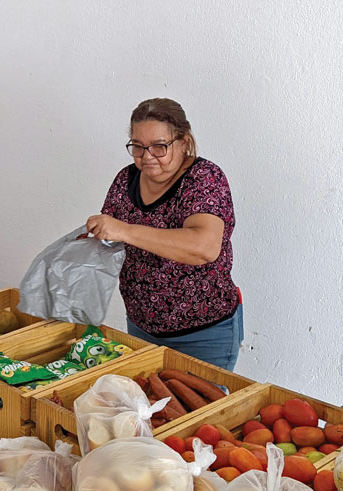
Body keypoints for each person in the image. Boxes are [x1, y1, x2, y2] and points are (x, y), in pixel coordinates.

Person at [85, 98, 243, 371]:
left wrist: (124, 229)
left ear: (183, 142)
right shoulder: (126, 179)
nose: (146, 156)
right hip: (141, 329)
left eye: (159, 146)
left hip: (203, 336)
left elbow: (203, 247)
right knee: (147, 410)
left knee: (199, 413)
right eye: (137, 146)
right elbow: (112, 241)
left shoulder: (204, 178)